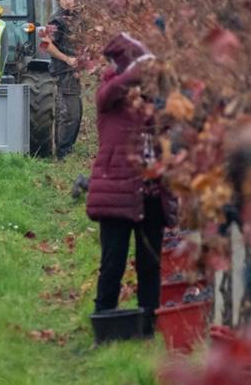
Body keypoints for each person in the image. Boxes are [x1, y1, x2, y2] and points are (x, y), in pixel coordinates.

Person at [85, 33, 175, 333]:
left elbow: (173, 125)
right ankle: (104, 321)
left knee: (150, 263)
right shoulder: (111, 94)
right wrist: (133, 74)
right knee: (113, 262)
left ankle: (149, 323)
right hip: (116, 190)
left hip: (151, 193)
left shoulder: (154, 102)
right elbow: (105, 95)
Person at [44, 0, 83, 160]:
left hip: (74, 72)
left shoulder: (75, 19)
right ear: (59, 0)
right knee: (68, 114)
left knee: (76, 112)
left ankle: (66, 150)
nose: (68, 1)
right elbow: (45, 44)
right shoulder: (57, 21)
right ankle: (62, 153)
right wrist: (66, 59)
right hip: (63, 71)